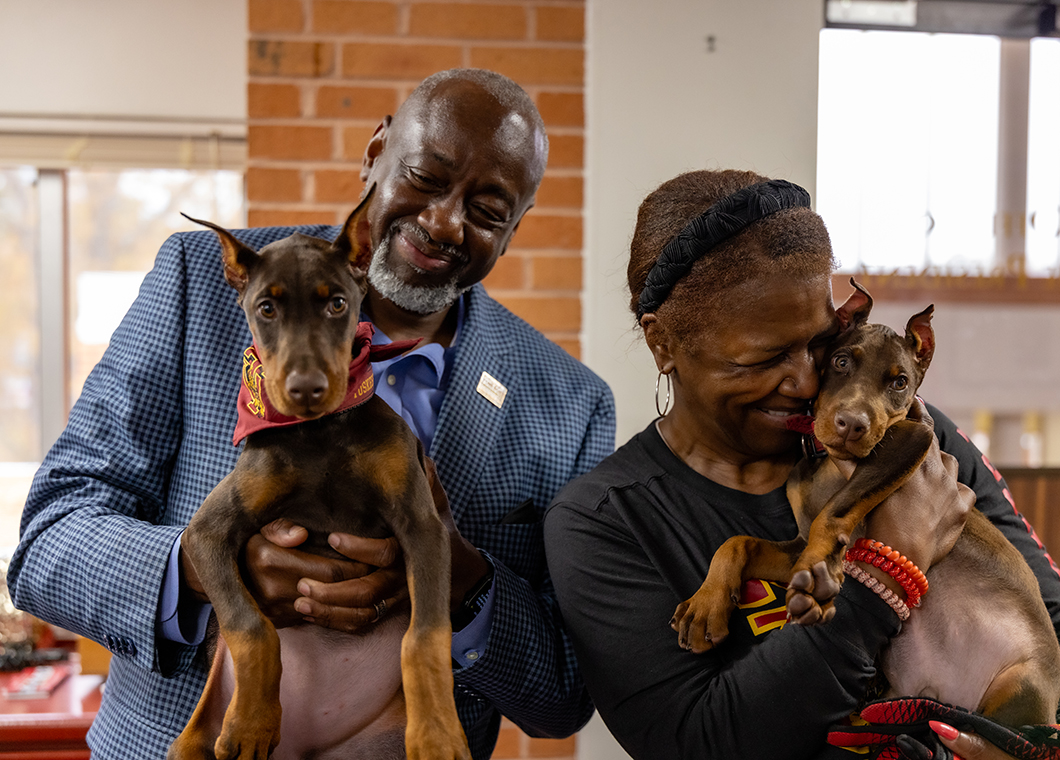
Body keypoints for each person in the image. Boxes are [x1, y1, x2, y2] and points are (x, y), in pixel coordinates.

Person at [10, 68, 614, 760]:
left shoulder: (570, 403)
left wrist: (463, 580)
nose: (446, 221)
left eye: (487, 208)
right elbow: (49, 541)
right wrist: (204, 573)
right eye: (424, 175)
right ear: (374, 153)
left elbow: (563, 692)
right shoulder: (198, 283)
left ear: (514, 227)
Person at [544, 169, 1060, 759]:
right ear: (663, 344)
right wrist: (884, 576)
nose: (804, 381)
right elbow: (698, 741)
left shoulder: (911, 435)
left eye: (820, 344)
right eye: (765, 358)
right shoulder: (604, 521)